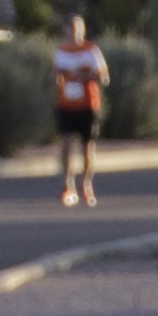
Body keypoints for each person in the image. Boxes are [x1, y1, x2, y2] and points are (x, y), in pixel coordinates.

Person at [52, 12, 108, 207]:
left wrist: (82, 76)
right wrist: (59, 78)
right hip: (66, 104)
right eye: (72, 28)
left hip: (88, 104)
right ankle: (67, 185)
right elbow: (55, 74)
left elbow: (103, 78)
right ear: (66, 29)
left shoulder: (91, 50)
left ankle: (86, 185)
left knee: (87, 148)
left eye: (79, 28)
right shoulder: (61, 51)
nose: (75, 32)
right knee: (65, 145)